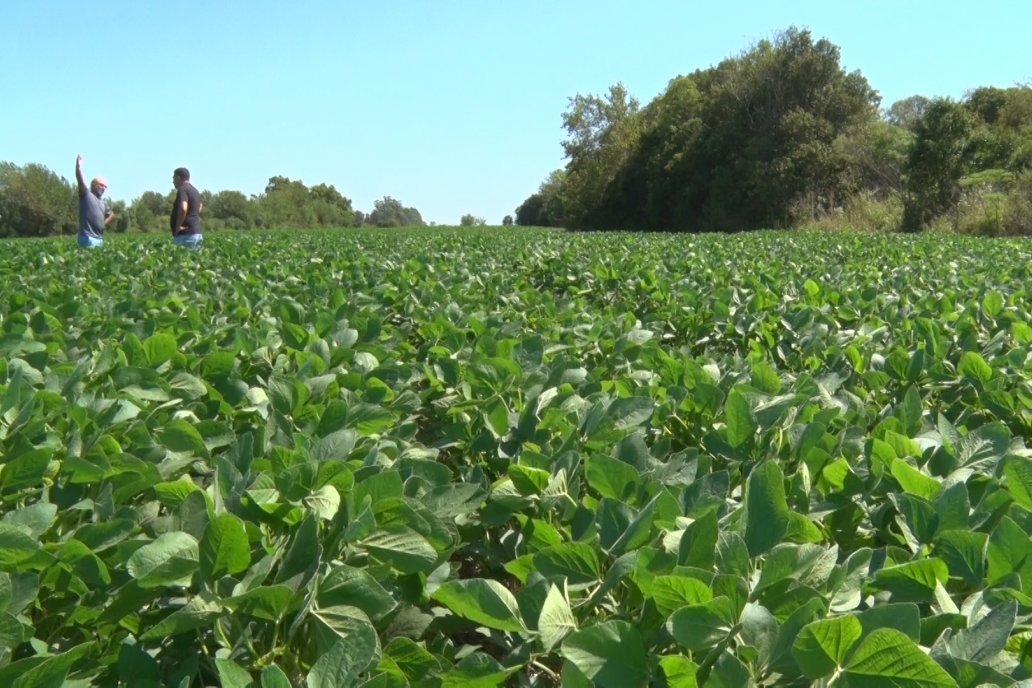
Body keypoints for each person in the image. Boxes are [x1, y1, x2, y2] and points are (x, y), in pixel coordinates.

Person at [75, 154, 114, 248]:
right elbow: (80, 180)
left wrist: (103, 222)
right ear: (93, 184)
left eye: (105, 187)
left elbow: (111, 214)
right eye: (101, 185)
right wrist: (78, 167)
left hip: (99, 239)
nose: (103, 188)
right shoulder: (86, 194)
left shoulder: (103, 203)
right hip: (87, 237)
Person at [170, 167, 202, 247]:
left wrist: (178, 227)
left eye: (173, 178)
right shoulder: (195, 191)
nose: (173, 181)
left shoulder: (182, 189)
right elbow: (200, 206)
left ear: (178, 177)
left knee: (181, 259)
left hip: (185, 236)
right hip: (196, 233)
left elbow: (183, 208)